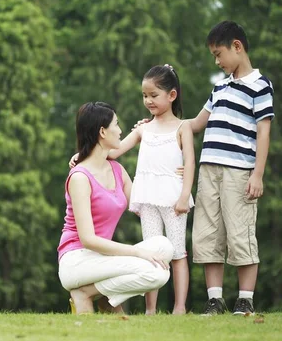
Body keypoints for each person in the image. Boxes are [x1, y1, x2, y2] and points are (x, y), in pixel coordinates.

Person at [133, 21, 272, 315]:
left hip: (239, 171)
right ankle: (215, 299)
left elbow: (263, 131)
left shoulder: (260, 86)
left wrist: (257, 173)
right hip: (209, 171)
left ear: (237, 46)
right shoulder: (219, 87)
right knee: (208, 233)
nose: (217, 61)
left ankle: (245, 298)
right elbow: (194, 124)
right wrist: (156, 125)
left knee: (239, 232)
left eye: (218, 54)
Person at [69, 66, 195, 315]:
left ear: (172, 95)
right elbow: (112, 151)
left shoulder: (183, 128)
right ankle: (151, 309)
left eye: (153, 95)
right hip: (147, 197)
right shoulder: (143, 129)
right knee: (150, 249)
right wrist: (80, 155)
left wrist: (184, 196)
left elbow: (190, 162)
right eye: (144, 95)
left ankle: (180, 307)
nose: (148, 100)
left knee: (178, 253)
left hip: (173, 198)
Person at [58, 101, 174, 315]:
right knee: (157, 274)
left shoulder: (117, 170)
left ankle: (101, 297)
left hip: (101, 259)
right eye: (117, 124)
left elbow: (144, 202)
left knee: (164, 246)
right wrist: (138, 252)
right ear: (102, 131)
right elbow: (88, 240)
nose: (121, 130)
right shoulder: (80, 177)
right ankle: (86, 293)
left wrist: (175, 176)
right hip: (76, 260)